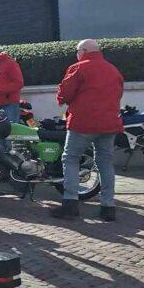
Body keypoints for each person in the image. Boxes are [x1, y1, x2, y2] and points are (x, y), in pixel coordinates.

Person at [50, 39, 123, 221]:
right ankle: (108, 206)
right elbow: (118, 94)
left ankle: (70, 203)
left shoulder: (78, 68)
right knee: (105, 162)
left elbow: (65, 93)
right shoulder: (113, 70)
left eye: (77, 51)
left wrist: (62, 99)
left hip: (83, 122)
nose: (76, 54)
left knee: (70, 158)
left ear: (83, 51)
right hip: (109, 123)